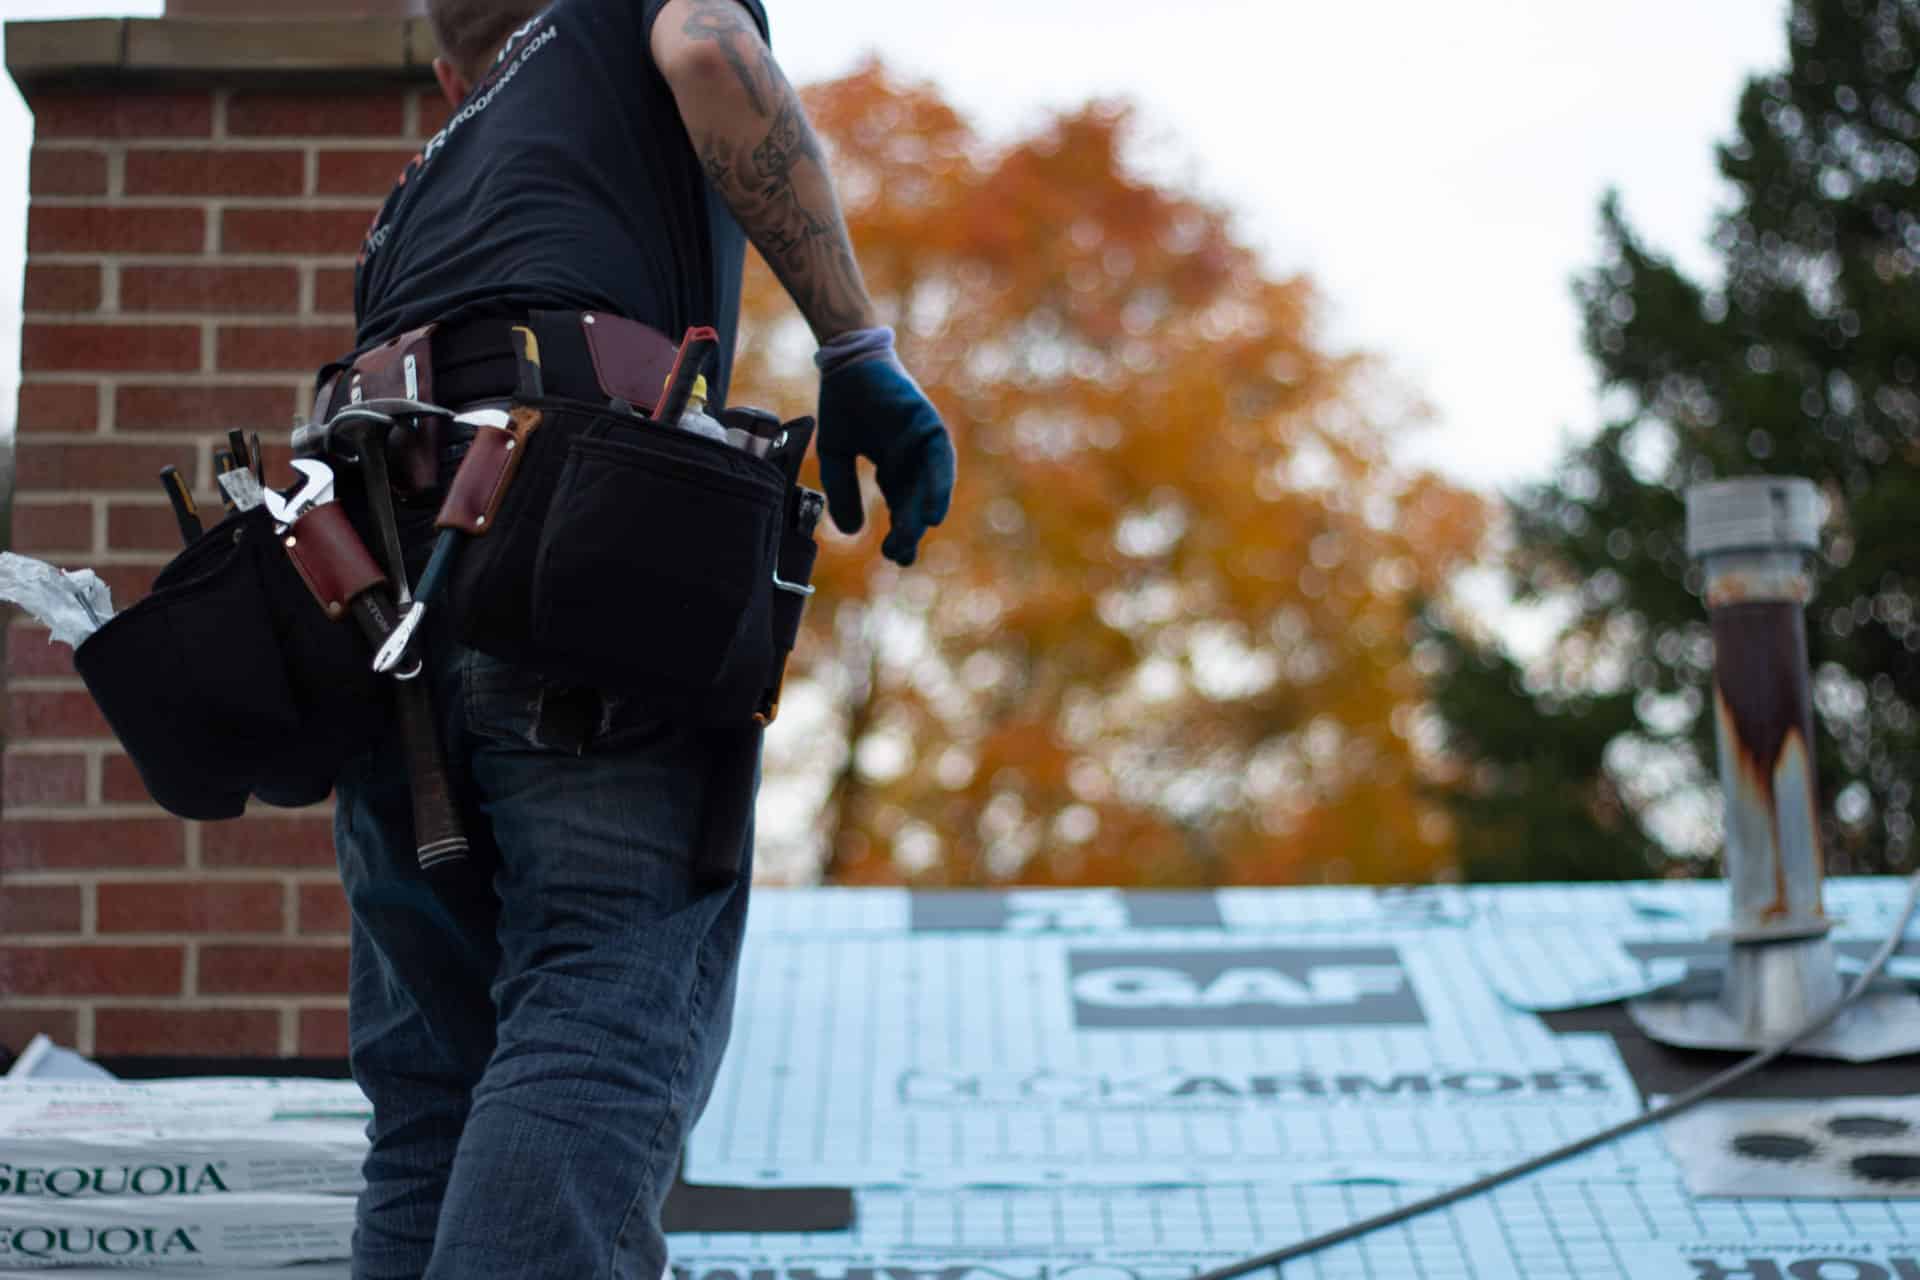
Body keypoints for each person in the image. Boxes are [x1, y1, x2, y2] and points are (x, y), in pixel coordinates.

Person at [324, 1, 956, 1276]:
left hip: (372, 596)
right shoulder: (625, 17)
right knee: (594, 1003)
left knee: (431, 1101)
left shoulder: (412, 198)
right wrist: (856, 345)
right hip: (576, 552)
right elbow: (713, 56)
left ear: (454, 70)